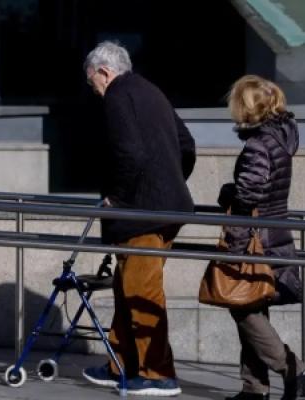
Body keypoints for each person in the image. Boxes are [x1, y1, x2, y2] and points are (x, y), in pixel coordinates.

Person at [81, 41, 196, 396]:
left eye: (92, 83)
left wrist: (119, 197)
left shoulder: (118, 94)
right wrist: (170, 184)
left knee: (140, 290)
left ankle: (157, 373)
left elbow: (128, 153)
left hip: (142, 212)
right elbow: (187, 145)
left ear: (104, 72)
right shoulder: (151, 91)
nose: (95, 92)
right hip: (162, 207)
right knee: (127, 286)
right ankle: (122, 364)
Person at [217, 75, 305, 400]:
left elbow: (251, 191)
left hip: (256, 238)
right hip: (273, 232)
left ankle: (293, 369)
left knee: (242, 307)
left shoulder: (259, 144)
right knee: (252, 304)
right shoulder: (279, 138)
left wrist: (229, 193)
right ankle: (253, 388)